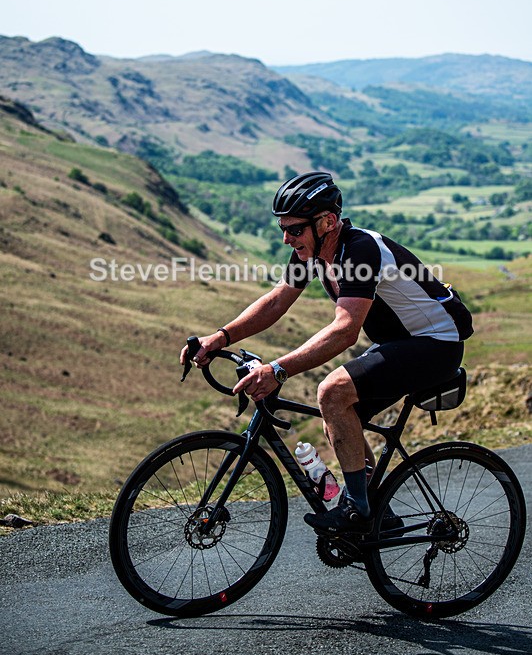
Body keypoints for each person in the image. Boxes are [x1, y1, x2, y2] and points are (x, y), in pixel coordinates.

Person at [180, 172, 473, 535]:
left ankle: (358, 511)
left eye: (295, 230)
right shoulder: (312, 252)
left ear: (328, 222)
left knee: (332, 391)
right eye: (282, 228)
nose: (286, 238)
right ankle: (378, 512)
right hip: (399, 343)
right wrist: (220, 337)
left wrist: (277, 370)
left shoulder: (360, 250)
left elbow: (345, 330)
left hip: (436, 344)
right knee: (337, 410)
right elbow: (275, 303)